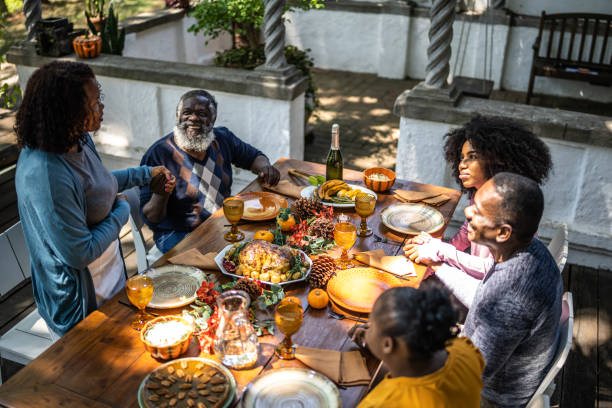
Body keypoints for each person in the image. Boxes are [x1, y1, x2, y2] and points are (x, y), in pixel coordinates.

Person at [14, 61, 172, 337]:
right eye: (94, 102)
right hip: (79, 303)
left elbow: (97, 185)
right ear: (67, 112)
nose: (101, 107)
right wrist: (122, 210)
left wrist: (145, 174)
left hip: (108, 277)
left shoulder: (77, 139)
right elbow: (79, 254)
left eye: (99, 98)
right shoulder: (46, 175)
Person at [404, 116, 552, 306]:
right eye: (461, 158)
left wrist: (441, 251)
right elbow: (465, 234)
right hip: (478, 283)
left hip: (490, 295)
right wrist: (434, 252)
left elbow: (489, 269)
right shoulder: (479, 194)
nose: (461, 164)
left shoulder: (507, 206)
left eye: (472, 157)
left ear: (498, 161)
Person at [461, 173, 562, 407]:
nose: (468, 213)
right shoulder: (529, 248)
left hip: (491, 397)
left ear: (503, 233)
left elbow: (468, 375)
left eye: (478, 211)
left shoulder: (511, 296)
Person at [139, 89, 281, 253]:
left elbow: (254, 157)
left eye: (202, 113)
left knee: (266, 243)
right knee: (229, 263)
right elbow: (152, 218)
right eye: (187, 112)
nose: (193, 118)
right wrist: (161, 194)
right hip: (178, 233)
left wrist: (265, 167)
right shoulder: (159, 154)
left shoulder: (222, 138)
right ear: (178, 117)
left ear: (213, 119)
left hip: (221, 221)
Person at [350, 286, 485, 408]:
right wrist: (374, 343)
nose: (367, 329)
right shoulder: (464, 350)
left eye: (371, 326)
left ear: (387, 344)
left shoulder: (384, 402)